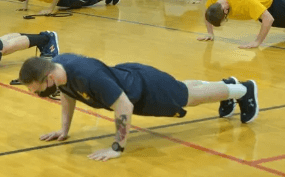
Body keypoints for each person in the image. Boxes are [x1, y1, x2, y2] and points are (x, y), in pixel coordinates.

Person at [19, 54, 258, 161]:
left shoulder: (88, 77)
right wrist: (64, 130)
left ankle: (244, 90)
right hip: (132, 78)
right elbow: (68, 97)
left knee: (190, 97)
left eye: (37, 89)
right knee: (183, 88)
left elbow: (123, 106)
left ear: (49, 77)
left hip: (146, 89)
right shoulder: (61, 72)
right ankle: (228, 86)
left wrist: (117, 147)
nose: (38, 94)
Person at [200, 0, 285, 48]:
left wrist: (257, 42)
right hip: (262, 2)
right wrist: (210, 33)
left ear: (225, 11)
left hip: (276, 4)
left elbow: (268, 19)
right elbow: (207, 13)